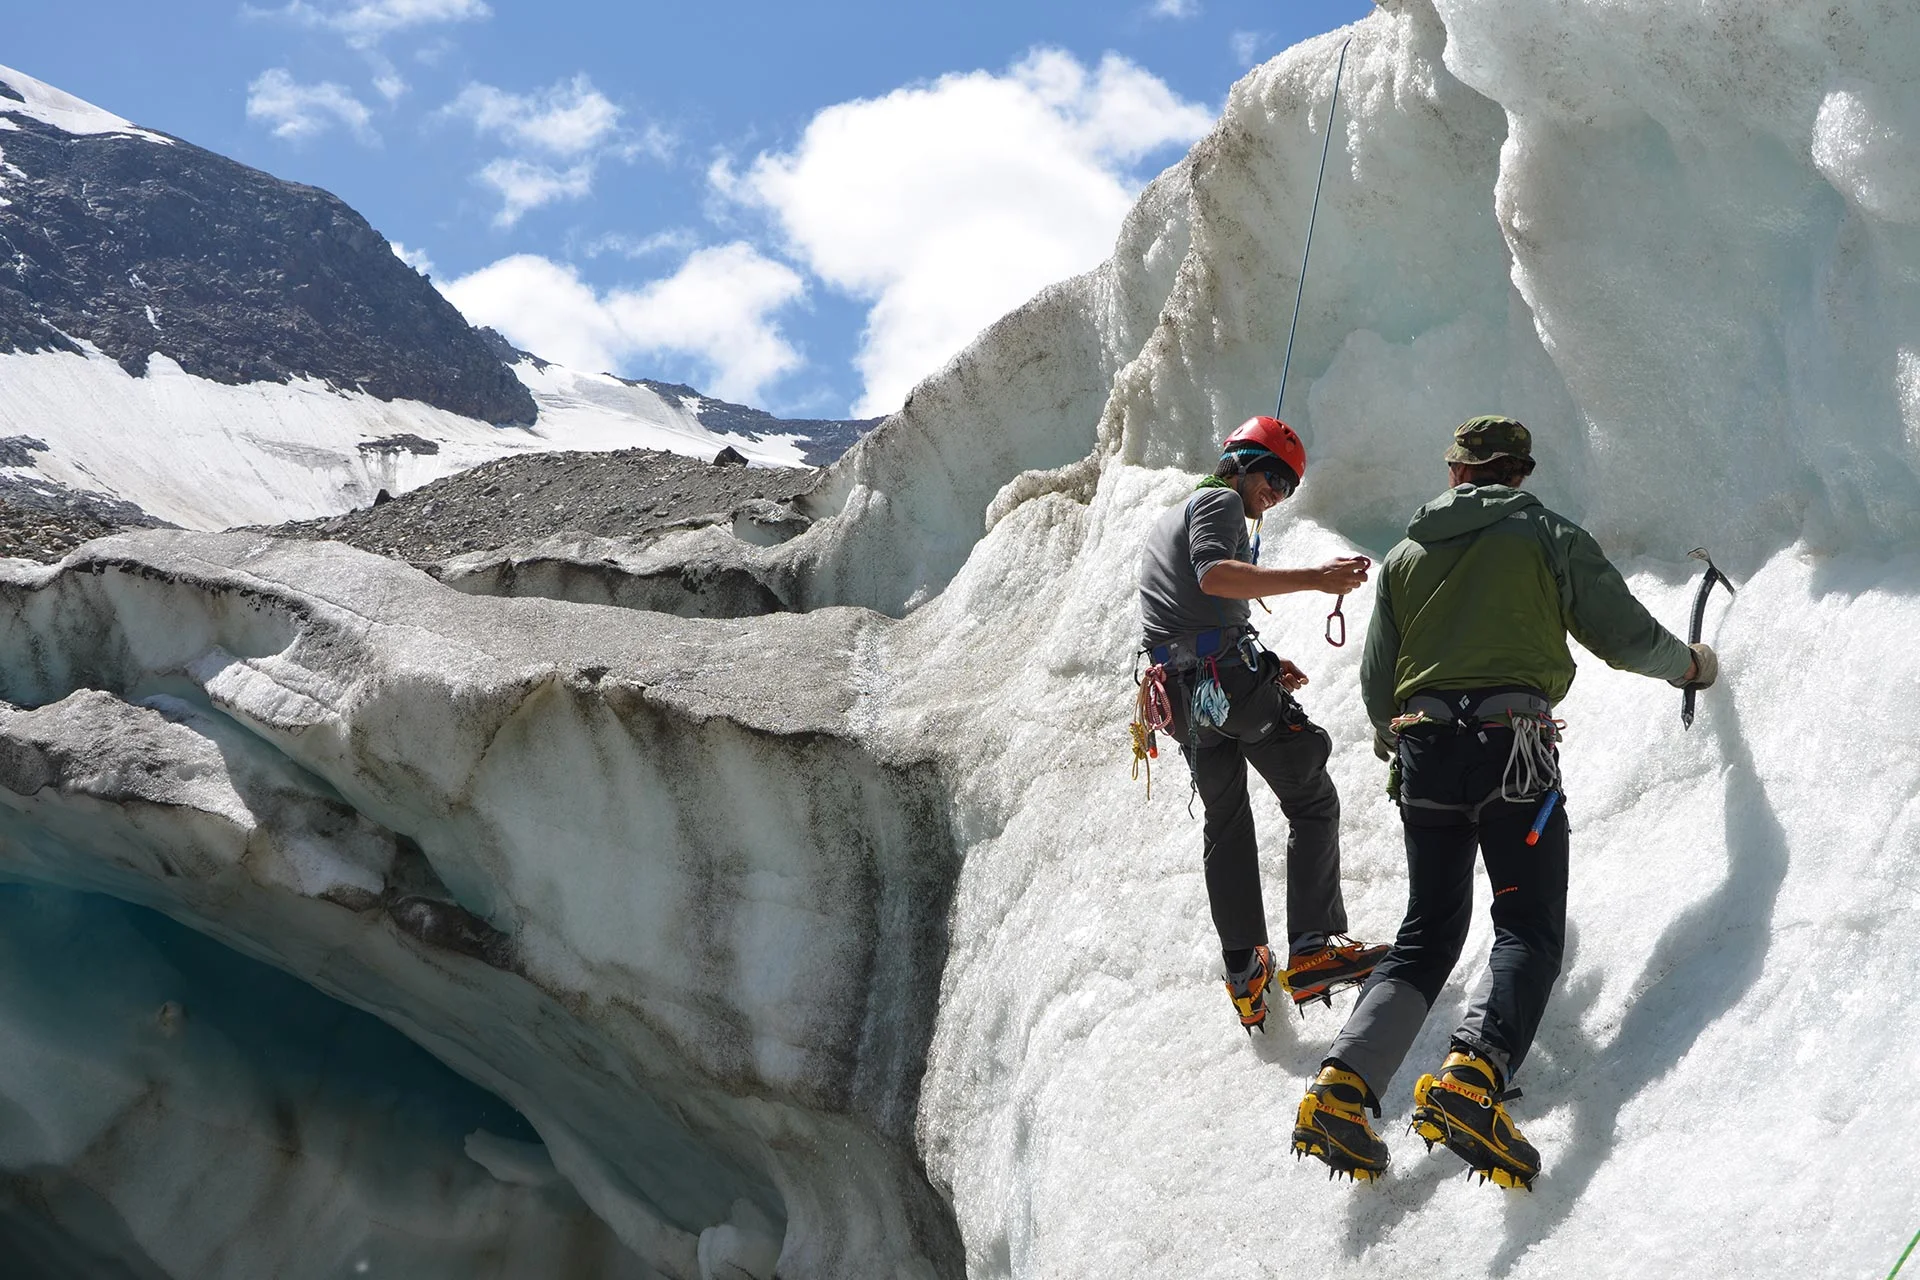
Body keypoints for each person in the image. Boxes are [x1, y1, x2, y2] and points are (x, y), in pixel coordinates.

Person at [1291, 414, 1719, 1187]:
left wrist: (1410, 753)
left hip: (1424, 753)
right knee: (1524, 923)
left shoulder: (1405, 556)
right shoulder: (1546, 534)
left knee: (1428, 931)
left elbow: (1377, 686)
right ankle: (1472, 1078)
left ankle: (1341, 1091)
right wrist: (1690, 667)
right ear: (1518, 473)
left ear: (1456, 471)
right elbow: (1621, 634)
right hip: (1512, 749)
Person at [1138, 415, 1386, 1035]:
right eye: (1272, 475)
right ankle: (1313, 950)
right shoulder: (1218, 499)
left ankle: (1246, 971)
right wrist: (1316, 579)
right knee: (1311, 795)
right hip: (1227, 685)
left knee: (1226, 823)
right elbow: (1214, 576)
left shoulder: (1167, 521)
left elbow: (1192, 614)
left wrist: (1268, 664)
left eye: (1289, 487)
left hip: (1183, 702)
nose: (1275, 492)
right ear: (1240, 461)